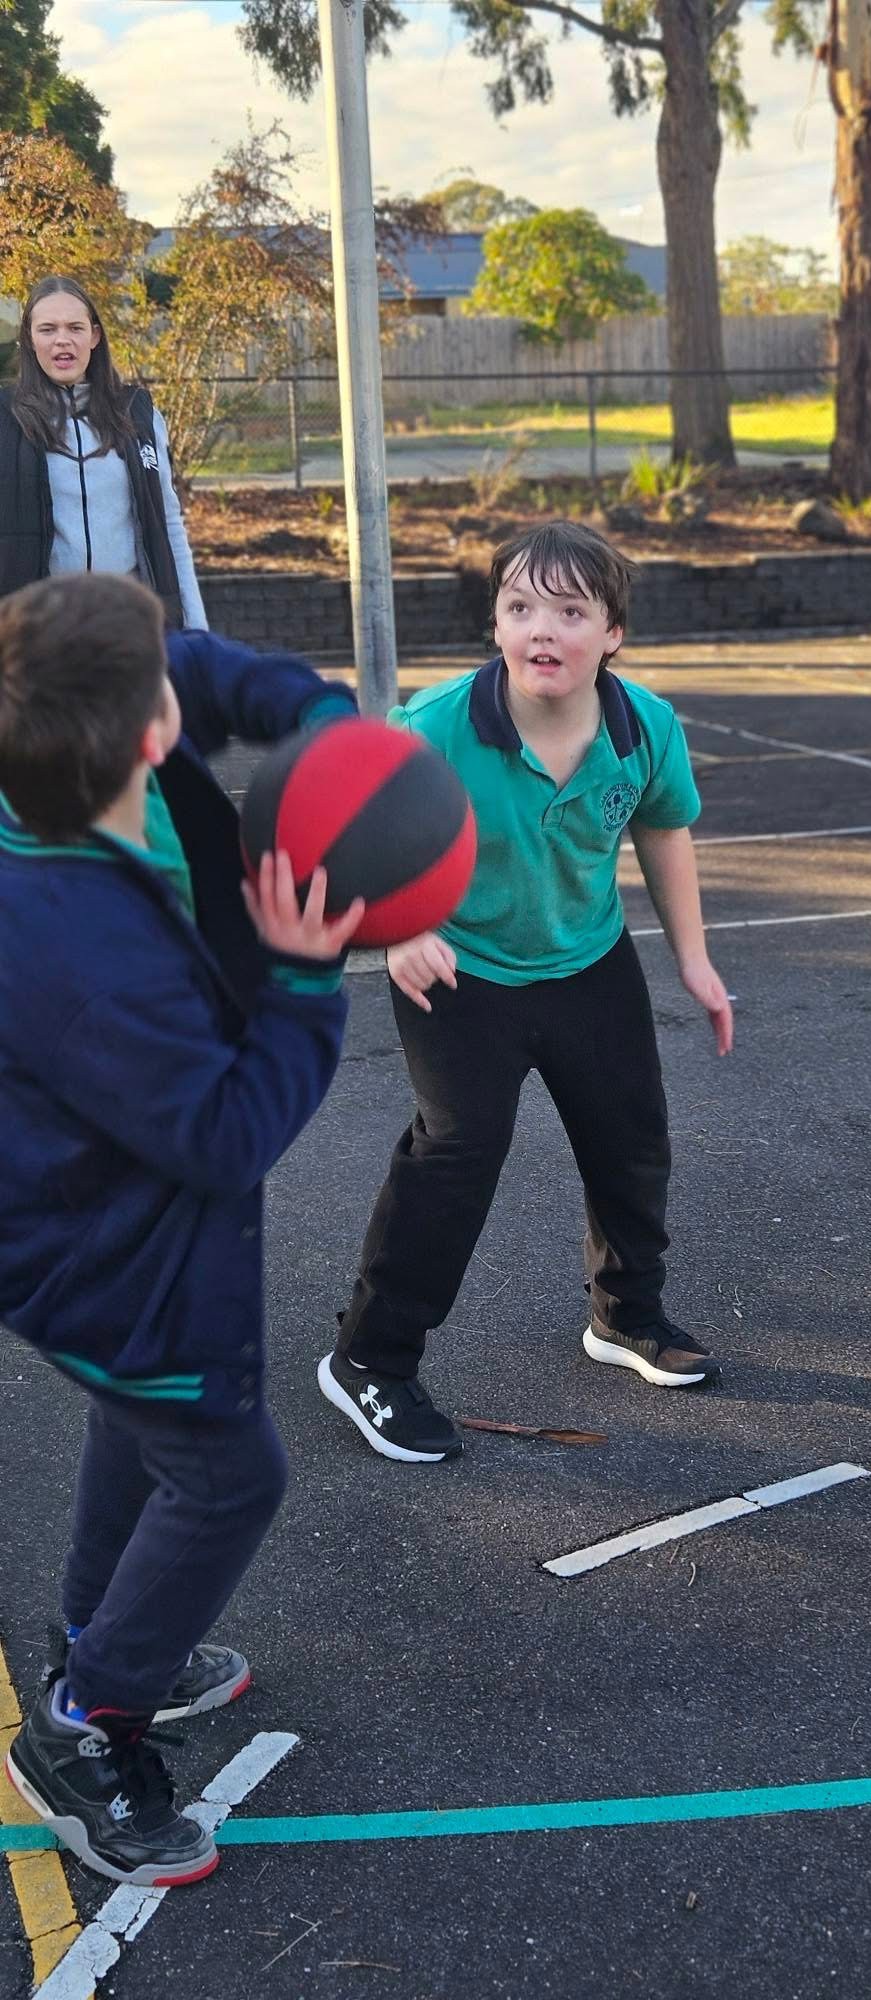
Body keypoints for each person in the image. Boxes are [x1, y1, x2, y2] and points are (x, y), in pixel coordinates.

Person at [0, 570, 364, 1886]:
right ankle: (86, 1725)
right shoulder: (83, 958)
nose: (188, 681)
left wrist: (319, 721)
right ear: (148, 733)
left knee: (137, 1416)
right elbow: (225, 1133)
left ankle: (99, 1634)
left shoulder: (56, 766)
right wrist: (307, 980)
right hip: (104, 1252)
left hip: (78, 1222)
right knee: (226, 1472)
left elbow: (204, 667)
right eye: (167, 681)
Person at [319, 520, 734, 1466]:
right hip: (460, 966)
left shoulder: (643, 728)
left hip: (586, 959)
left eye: (570, 611)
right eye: (519, 607)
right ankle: (369, 1359)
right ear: (497, 625)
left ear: (613, 633)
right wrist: (401, 928)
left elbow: (663, 827)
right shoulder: (435, 728)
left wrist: (695, 959)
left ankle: (625, 1316)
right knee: (458, 1149)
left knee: (631, 1137)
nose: (541, 628)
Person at [0, 274, 206, 628]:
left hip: (130, 627)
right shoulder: (6, 418)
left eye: (75, 328)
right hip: (40, 633)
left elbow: (169, 525)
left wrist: (197, 627)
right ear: (30, 339)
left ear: (94, 336)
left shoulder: (137, 413)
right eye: (47, 329)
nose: (62, 340)